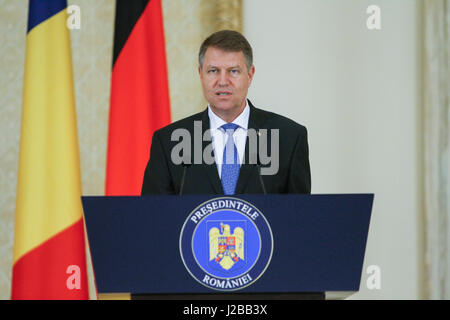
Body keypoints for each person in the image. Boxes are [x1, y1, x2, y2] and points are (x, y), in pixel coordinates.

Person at [141, 30, 310, 195]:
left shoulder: (289, 138)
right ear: (201, 74)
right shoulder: (168, 143)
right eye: (213, 71)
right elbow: (154, 216)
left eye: (233, 71)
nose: (222, 81)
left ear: (250, 75)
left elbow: (299, 215)